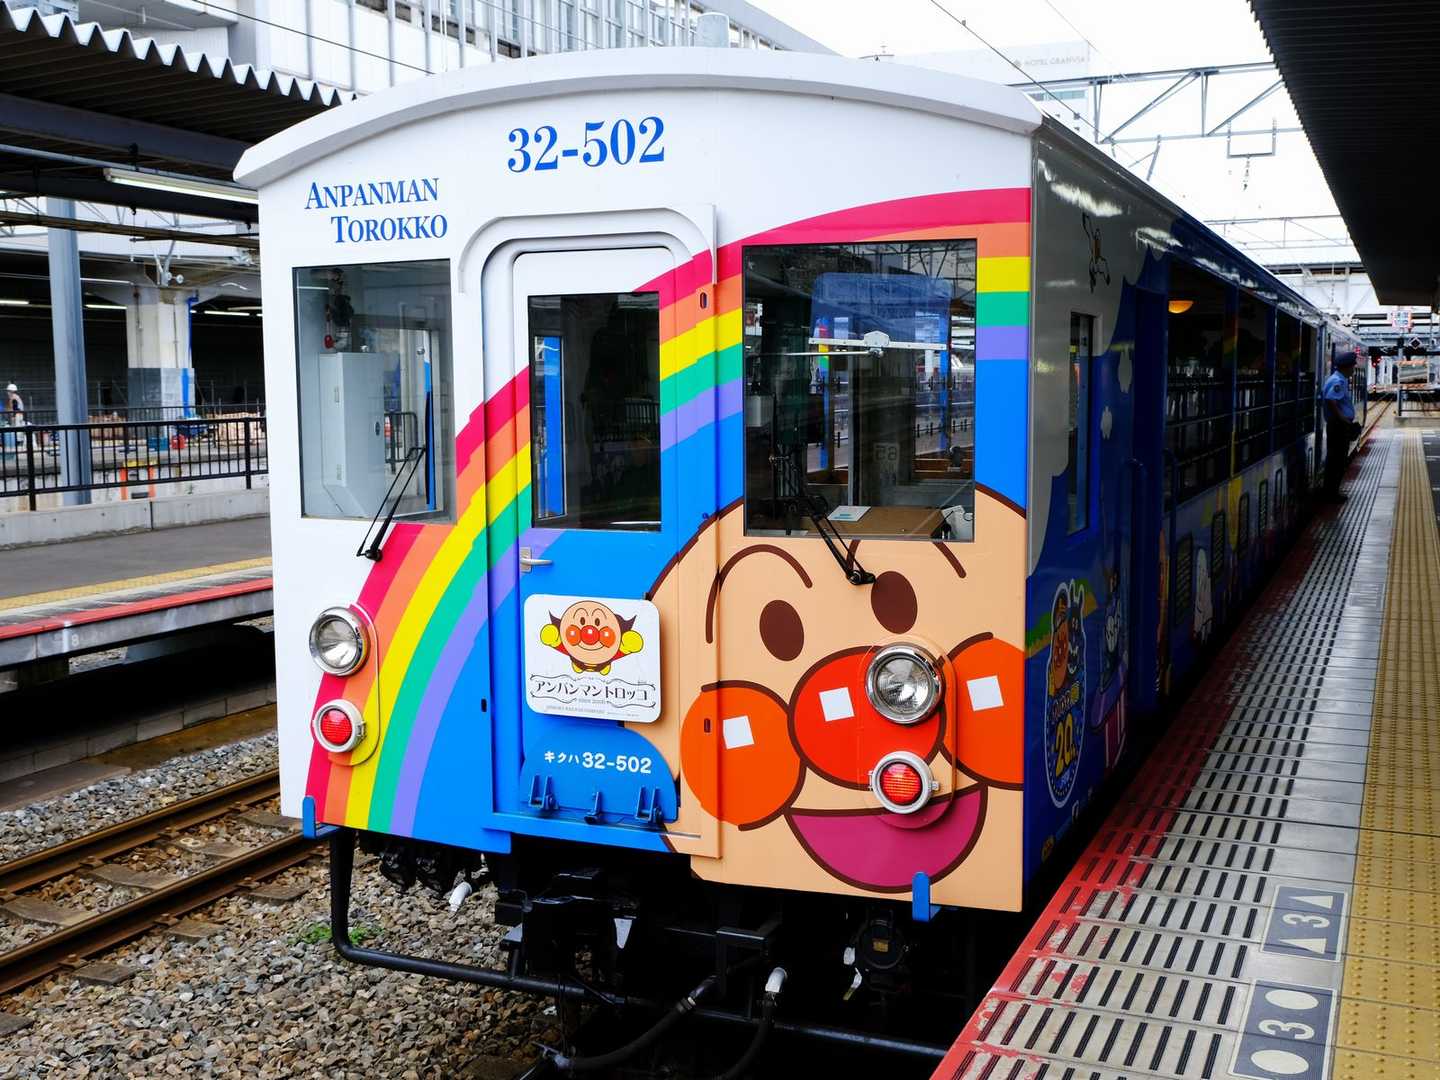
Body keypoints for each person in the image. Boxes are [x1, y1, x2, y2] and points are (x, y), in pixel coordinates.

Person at [1321, 353, 1361, 502]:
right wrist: (1343, 419)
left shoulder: (1337, 379)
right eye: (1353, 366)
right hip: (1338, 426)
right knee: (1337, 461)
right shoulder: (1338, 381)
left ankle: (1332, 492)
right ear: (1347, 367)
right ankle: (1331, 494)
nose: (1353, 369)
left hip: (1337, 425)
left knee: (1336, 460)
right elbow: (1331, 399)